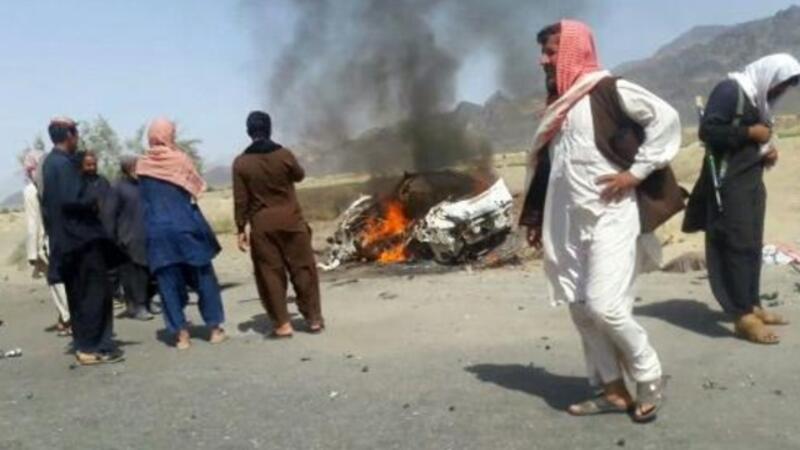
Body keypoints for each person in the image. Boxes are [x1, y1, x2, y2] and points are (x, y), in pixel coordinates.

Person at [519, 21, 682, 423]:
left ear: (573, 51)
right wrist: (539, 219)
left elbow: (666, 118)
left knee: (606, 307)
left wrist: (636, 173)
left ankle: (649, 375)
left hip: (612, 214)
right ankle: (612, 390)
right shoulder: (560, 106)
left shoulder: (608, 90)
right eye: (543, 52)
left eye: (551, 51)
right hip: (569, 220)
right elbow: (552, 171)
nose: (543, 60)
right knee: (579, 308)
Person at [684, 54, 800, 344]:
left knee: (751, 244)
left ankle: (752, 303)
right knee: (735, 245)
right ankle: (742, 317)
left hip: (751, 183)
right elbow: (708, 131)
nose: (778, 92)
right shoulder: (730, 91)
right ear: (768, 76)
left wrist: (766, 152)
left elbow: (757, 141)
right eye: (778, 85)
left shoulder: (757, 99)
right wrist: (750, 132)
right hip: (728, 184)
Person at [137, 118, 226, 350]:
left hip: (158, 232)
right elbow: (196, 189)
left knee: (168, 284)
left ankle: (181, 335)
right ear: (169, 135)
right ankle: (214, 329)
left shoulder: (142, 165)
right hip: (186, 227)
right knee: (204, 278)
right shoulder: (180, 160)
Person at [40, 118, 123, 365]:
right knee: (93, 294)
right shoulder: (62, 164)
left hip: (69, 241)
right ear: (69, 135)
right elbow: (71, 199)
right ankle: (93, 347)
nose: (77, 138)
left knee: (80, 295)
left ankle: (86, 346)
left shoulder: (52, 163)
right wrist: (93, 200)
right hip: (80, 241)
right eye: (75, 132)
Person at [233, 111, 323, 338]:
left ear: (248, 132)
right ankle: (313, 319)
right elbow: (299, 175)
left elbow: (241, 200)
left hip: (263, 227)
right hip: (292, 222)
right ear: (269, 129)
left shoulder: (241, 163)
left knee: (270, 274)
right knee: (303, 269)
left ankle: (283, 324)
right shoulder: (284, 154)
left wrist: (240, 228)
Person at [22, 149, 71, 336]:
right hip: (64, 238)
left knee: (56, 283)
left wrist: (32, 254)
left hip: (47, 243)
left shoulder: (31, 191)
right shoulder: (56, 184)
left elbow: (32, 224)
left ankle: (67, 319)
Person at [106, 154, 158, 321]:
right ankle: (137, 306)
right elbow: (109, 215)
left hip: (148, 235)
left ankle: (148, 301)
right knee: (133, 276)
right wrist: (113, 240)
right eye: (135, 167)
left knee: (150, 272)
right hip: (127, 238)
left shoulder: (145, 184)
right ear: (127, 169)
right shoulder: (117, 187)